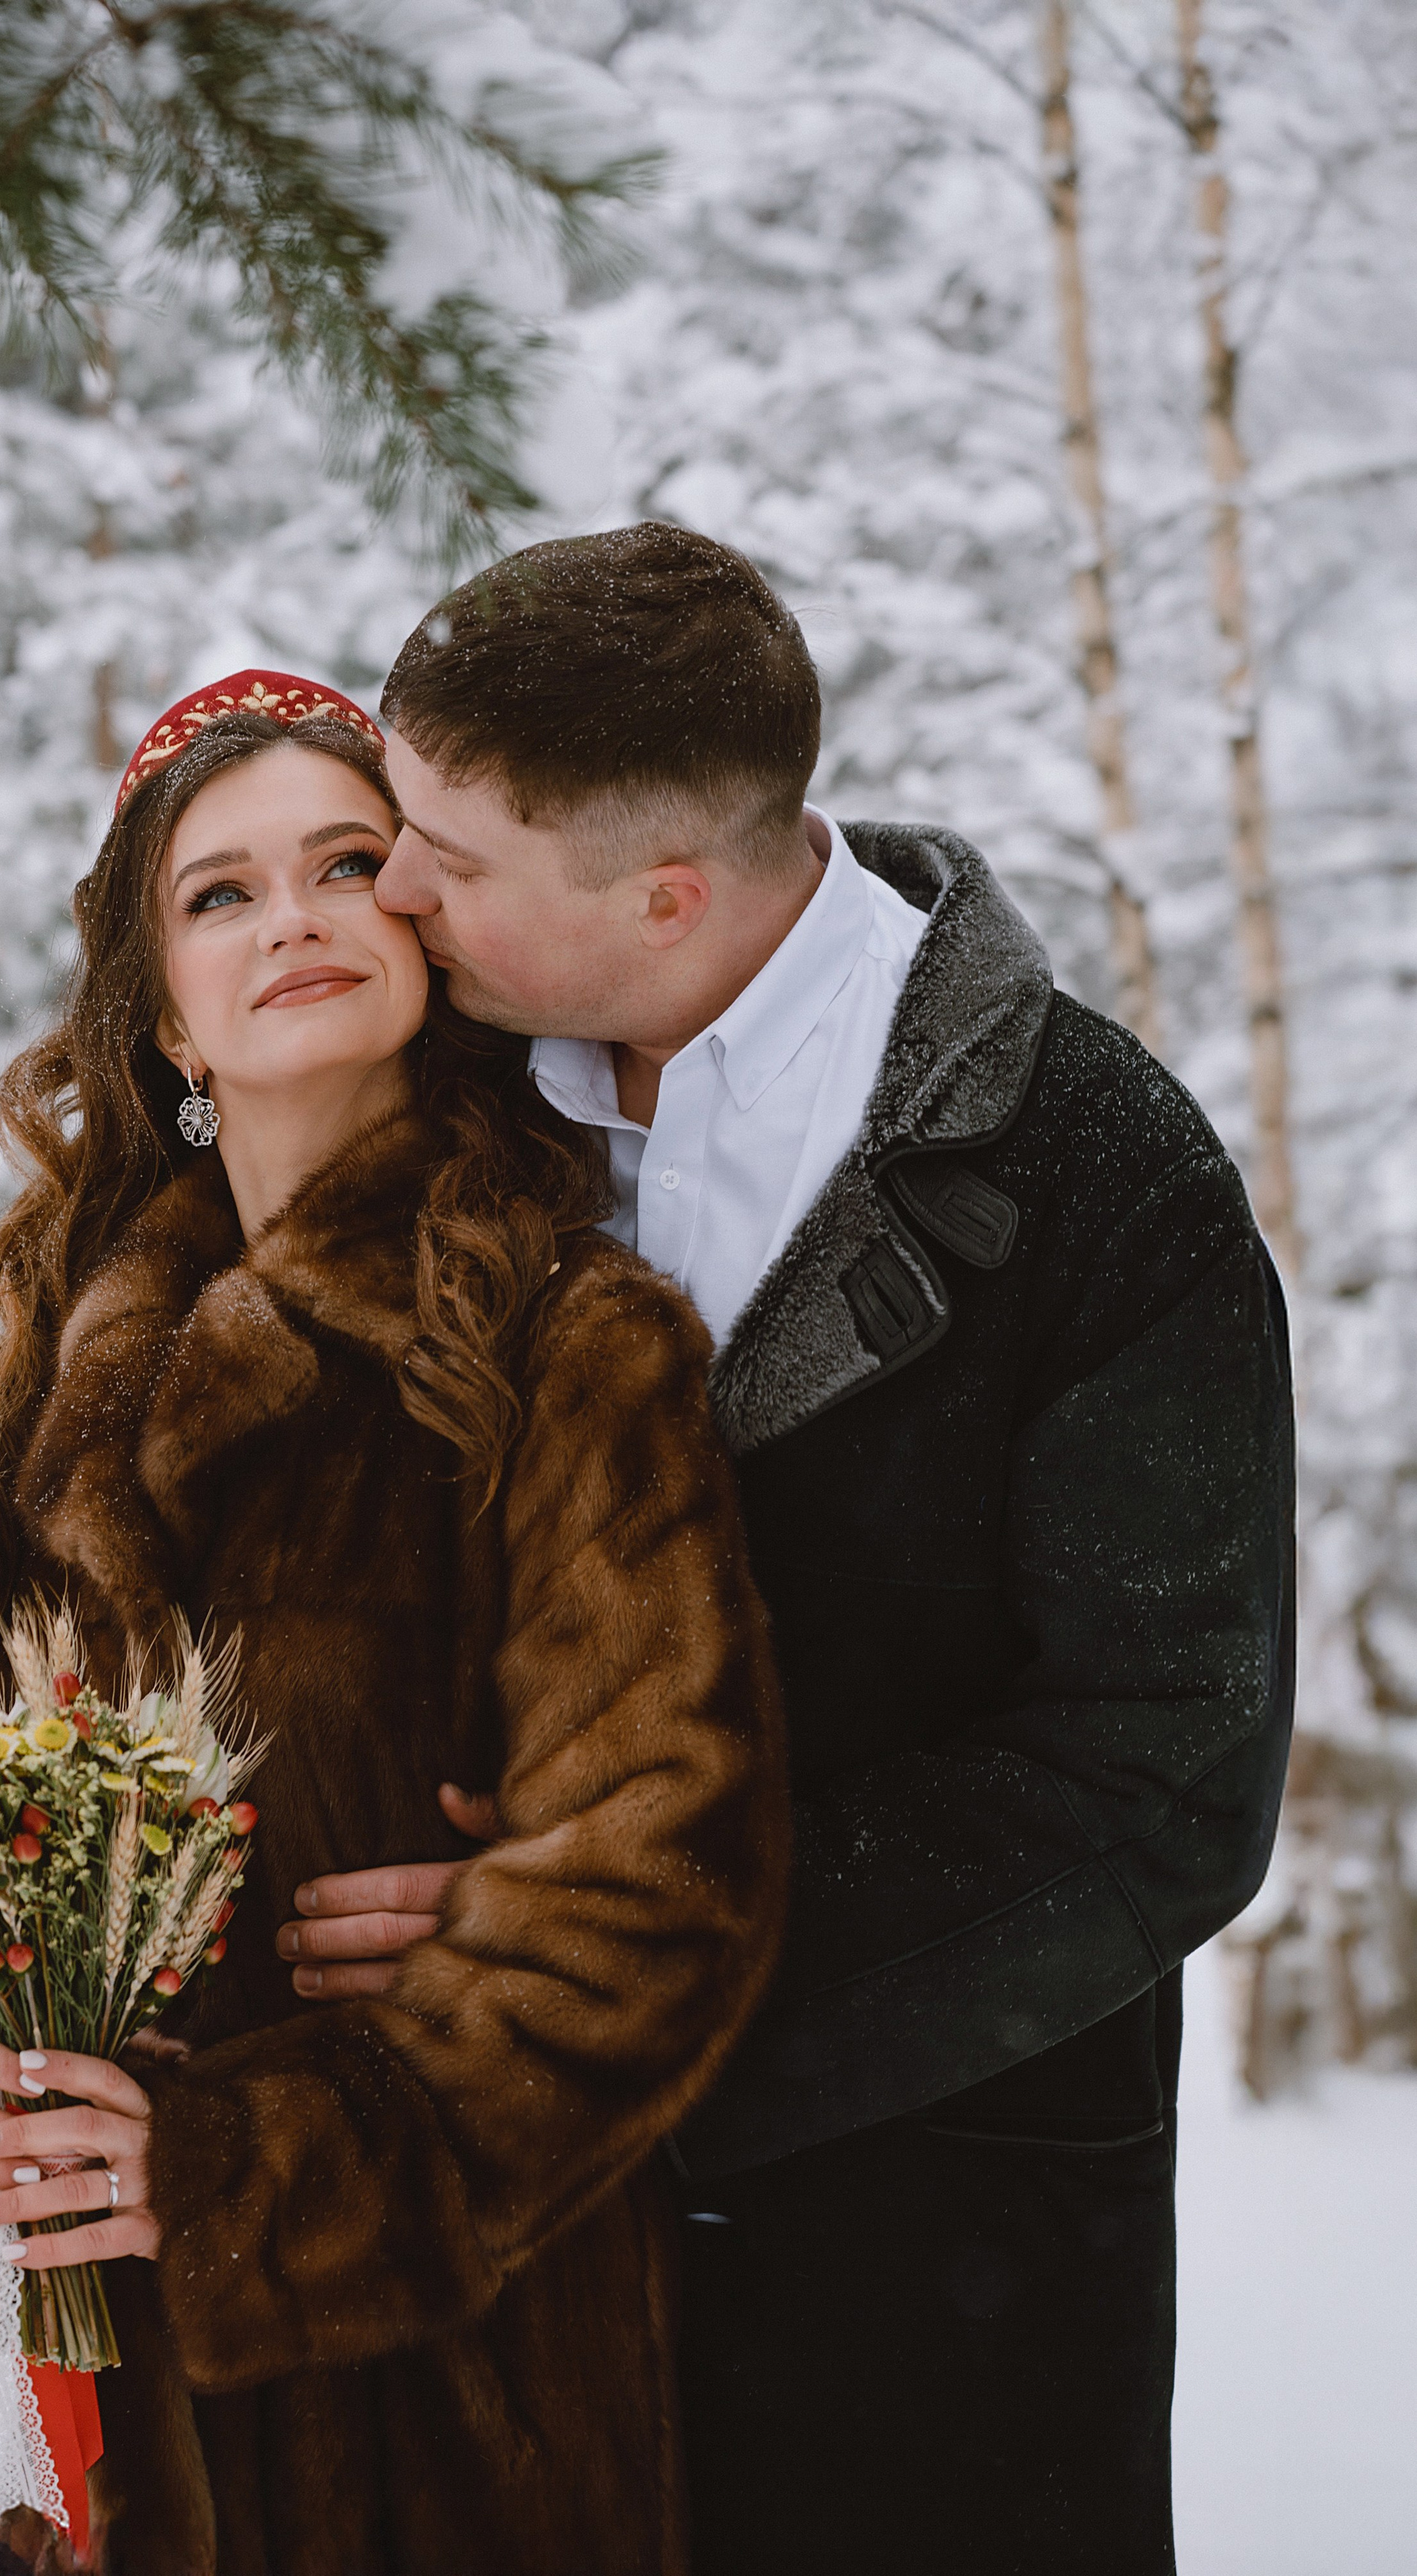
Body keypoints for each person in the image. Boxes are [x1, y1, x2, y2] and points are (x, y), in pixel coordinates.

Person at [278, 525, 1298, 2575]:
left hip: (926, 2282)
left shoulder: (1104, 1175)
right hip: (466, 2308)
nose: (389, 891)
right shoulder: (425, 1093)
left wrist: (601, 1975)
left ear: (665, 894)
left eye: (447, 860)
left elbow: (1163, 1781)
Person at [0, 669, 788, 2576]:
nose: (299, 918)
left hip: (457, 2396)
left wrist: (246, 2173)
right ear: (159, 1006)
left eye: (349, 864)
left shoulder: (565, 1341)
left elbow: (657, 1890)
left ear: (425, 926)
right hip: (93, 2418)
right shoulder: (45, 1399)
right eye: (222, 894)